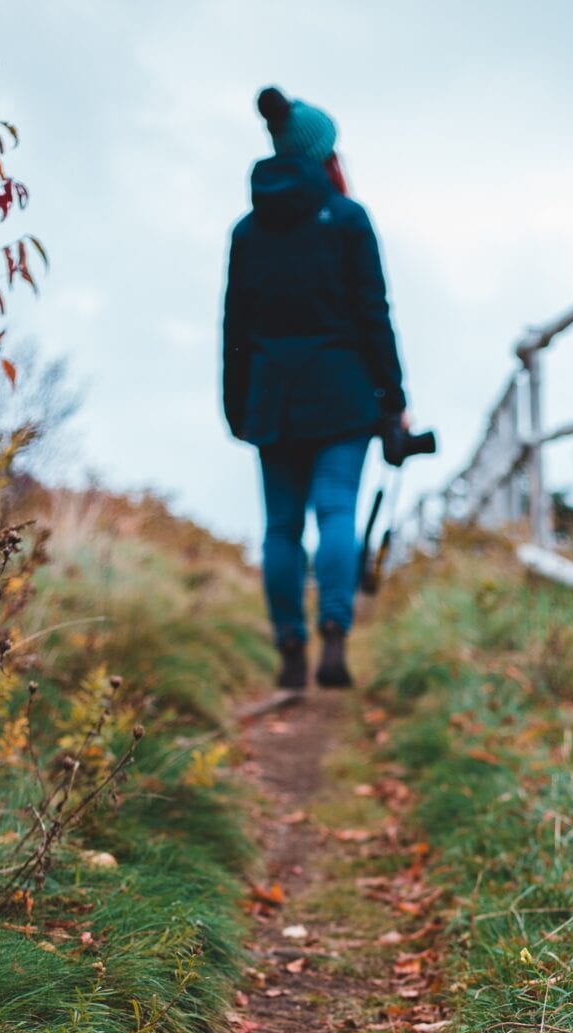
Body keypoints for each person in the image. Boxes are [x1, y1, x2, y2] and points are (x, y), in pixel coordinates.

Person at [222, 86, 409, 691]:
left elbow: (235, 329)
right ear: (326, 155)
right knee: (336, 513)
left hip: (271, 400)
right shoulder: (348, 220)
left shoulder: (247, 232)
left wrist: (237, 407)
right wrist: (395, 398)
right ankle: (333, 633)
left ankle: (289, 648)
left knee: (280, 530)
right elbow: (373, 313)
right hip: (344, 397)